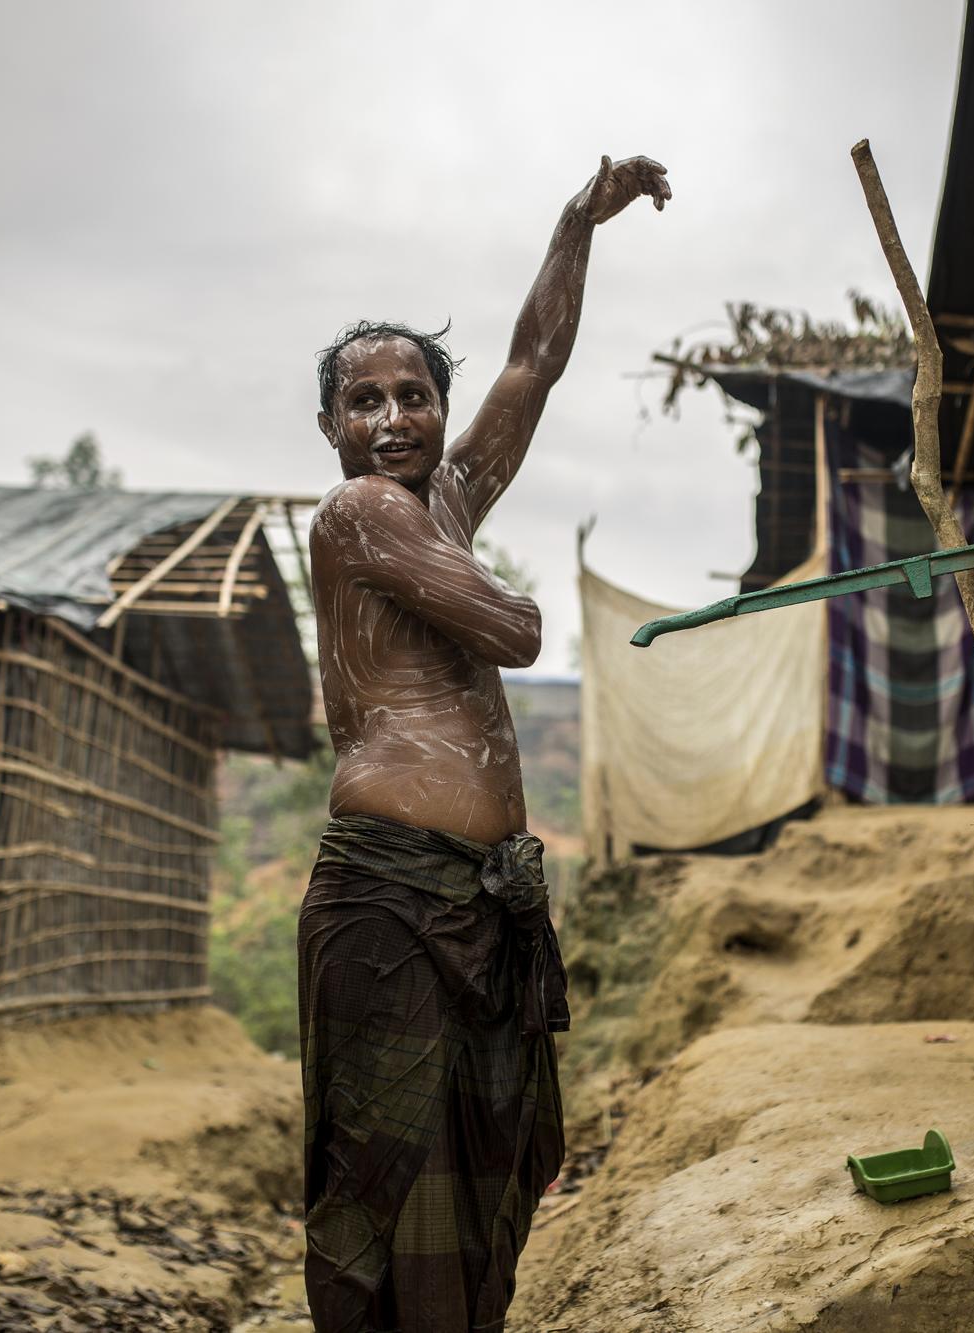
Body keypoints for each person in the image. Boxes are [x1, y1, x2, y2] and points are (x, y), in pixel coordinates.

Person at [298, 154, 671, 1332]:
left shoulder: (447, 499)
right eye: (364, 402)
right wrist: (510, 593)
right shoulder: (363, 511)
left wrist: (577, 221)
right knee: (386, 1182)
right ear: (331, 427)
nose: (391, 419)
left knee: (476, 1171)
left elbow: (532, 364)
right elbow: (514, 630)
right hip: (390, 901)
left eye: (413, 395)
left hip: (477, 896)